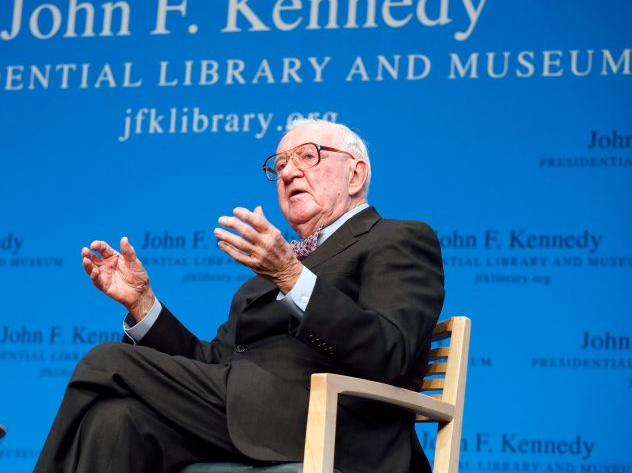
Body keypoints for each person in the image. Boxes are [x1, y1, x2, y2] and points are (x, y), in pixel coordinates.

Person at [35, 119, 445, 473]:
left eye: (308, 156)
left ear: (355, 175)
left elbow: (390, 352)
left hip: (332, 426)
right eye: (279, 164)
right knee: (115, 419)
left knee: (106, 360)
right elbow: (214, 364)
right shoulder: (263, 277)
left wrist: (291, 276)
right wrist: (143, 305)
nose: (287, 173)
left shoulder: (397, 239)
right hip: (246, 413)